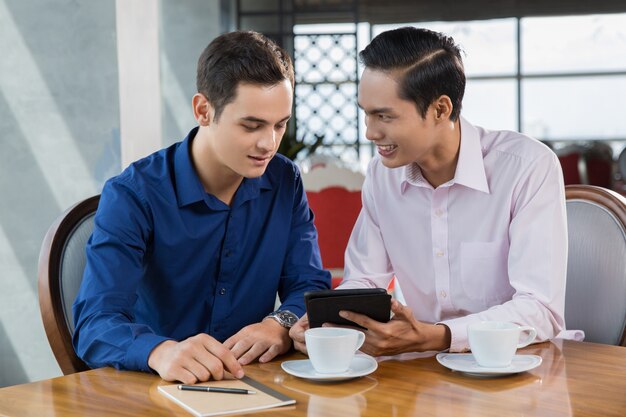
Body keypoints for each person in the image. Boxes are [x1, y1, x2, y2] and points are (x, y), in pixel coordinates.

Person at [290, 27, 567, 356]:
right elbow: (364, 280)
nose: (370, 132)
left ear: (440, 109)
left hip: (520, 366)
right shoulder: (382, 176)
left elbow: (540, 309)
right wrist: (330, 320)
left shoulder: (527, 167)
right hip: (422, 368)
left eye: (384, 116)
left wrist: (438, 336)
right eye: (366, 113)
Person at [73, 30, 330, 383]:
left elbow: (310, 284)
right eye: (251, 125)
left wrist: (279, 323)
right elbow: (95, 323)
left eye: (280, 125)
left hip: (253, 384)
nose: (268, 143)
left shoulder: (285, 181)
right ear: (203, 110)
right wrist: (160, 351)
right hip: (155, 388)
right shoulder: (133, 194)